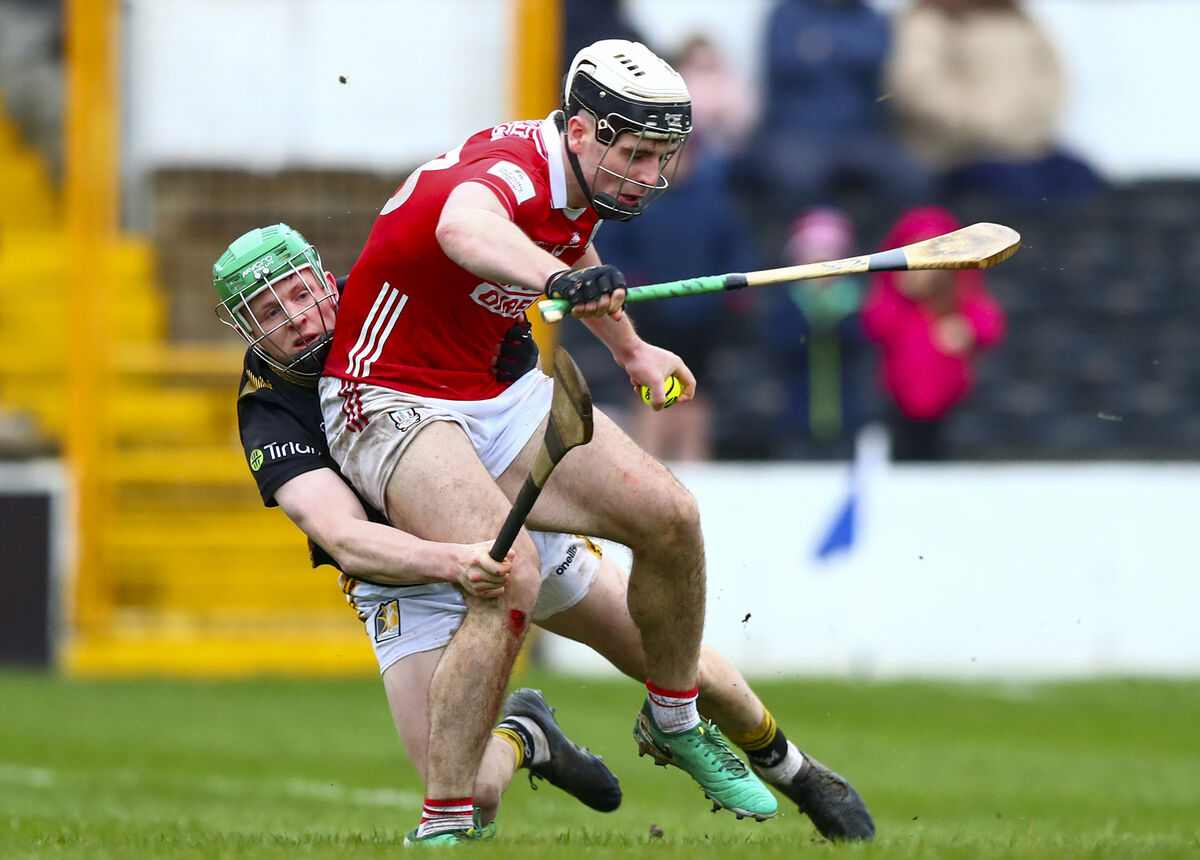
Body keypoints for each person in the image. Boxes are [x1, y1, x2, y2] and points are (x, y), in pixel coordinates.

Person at [214, 221, 875, 842]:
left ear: (326, 279)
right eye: (271, 313)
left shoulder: (391, 304)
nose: (298, 320)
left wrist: (573, 291)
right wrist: (451, 561)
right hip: (410, 580)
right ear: (247, 329)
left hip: (513, 534)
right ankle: (525, 732)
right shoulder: (268, 407)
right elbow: (345, 537)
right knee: (468, 796)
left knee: (681, 666)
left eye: (300, 294)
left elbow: (512, 246)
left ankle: (797, 771)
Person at [318, 38, 786, 832]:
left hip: (491, 392)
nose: (646, 176)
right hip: (386, 394)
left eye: (660, 157)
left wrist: (632, 351)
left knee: (671, 517)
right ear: (579, 131)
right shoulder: (507, 172)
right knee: (511, 575)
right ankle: (447, 819)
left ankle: (673, 722)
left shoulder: (578, 190)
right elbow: (467, 229)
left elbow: (573, 247)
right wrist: (552, 281)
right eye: (633, 154)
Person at [885, 0, 1103, 204]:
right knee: (1018, 191)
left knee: (1080, 179)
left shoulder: (1018, 19)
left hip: (1030, 148)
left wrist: (1030, 125)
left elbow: (1053, 77)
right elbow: (919, 88)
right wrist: (982, 125)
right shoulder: (929, 21)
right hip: (957, 155)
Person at [860, 206, 1007, 460]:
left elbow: (990, 325)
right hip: (897, 404)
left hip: (952, 406)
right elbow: (875, 325)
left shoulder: (962, 288)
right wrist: (901, 290)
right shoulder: (891, 291)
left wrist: (967, 330)